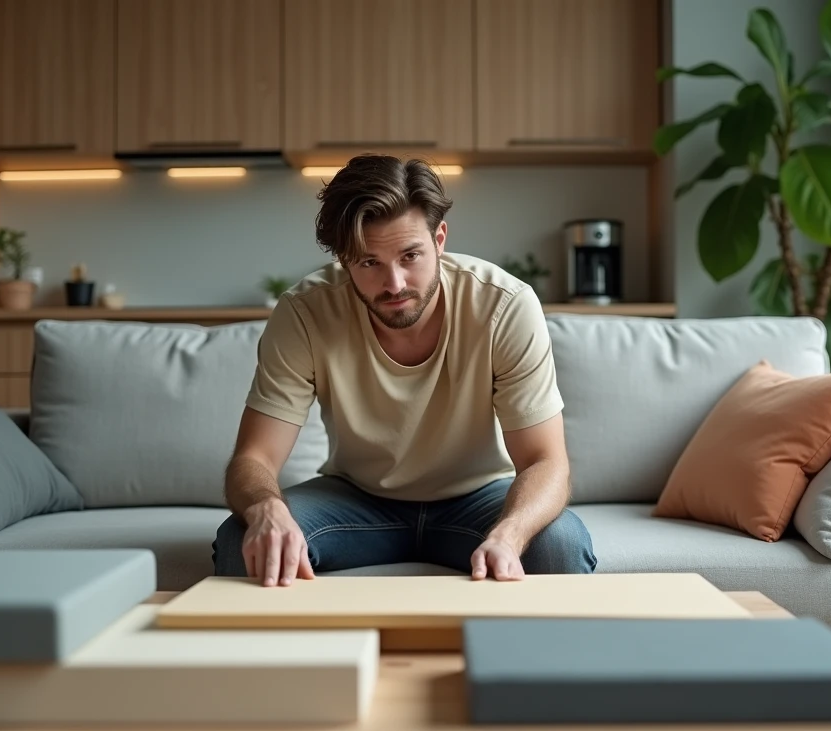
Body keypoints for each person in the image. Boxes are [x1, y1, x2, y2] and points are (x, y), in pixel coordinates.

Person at [212, 154, 596, 587]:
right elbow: (254, 458)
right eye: (368, 262)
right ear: (343, 259)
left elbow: (547, 461)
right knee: (243, 538)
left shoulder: (504, 306)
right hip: (356, 499)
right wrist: (266, 508)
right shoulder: (304, 313)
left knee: (559, 544)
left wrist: (509, 535)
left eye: (410, 255)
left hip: (479, 497)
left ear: (440, 239)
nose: (394, 283)